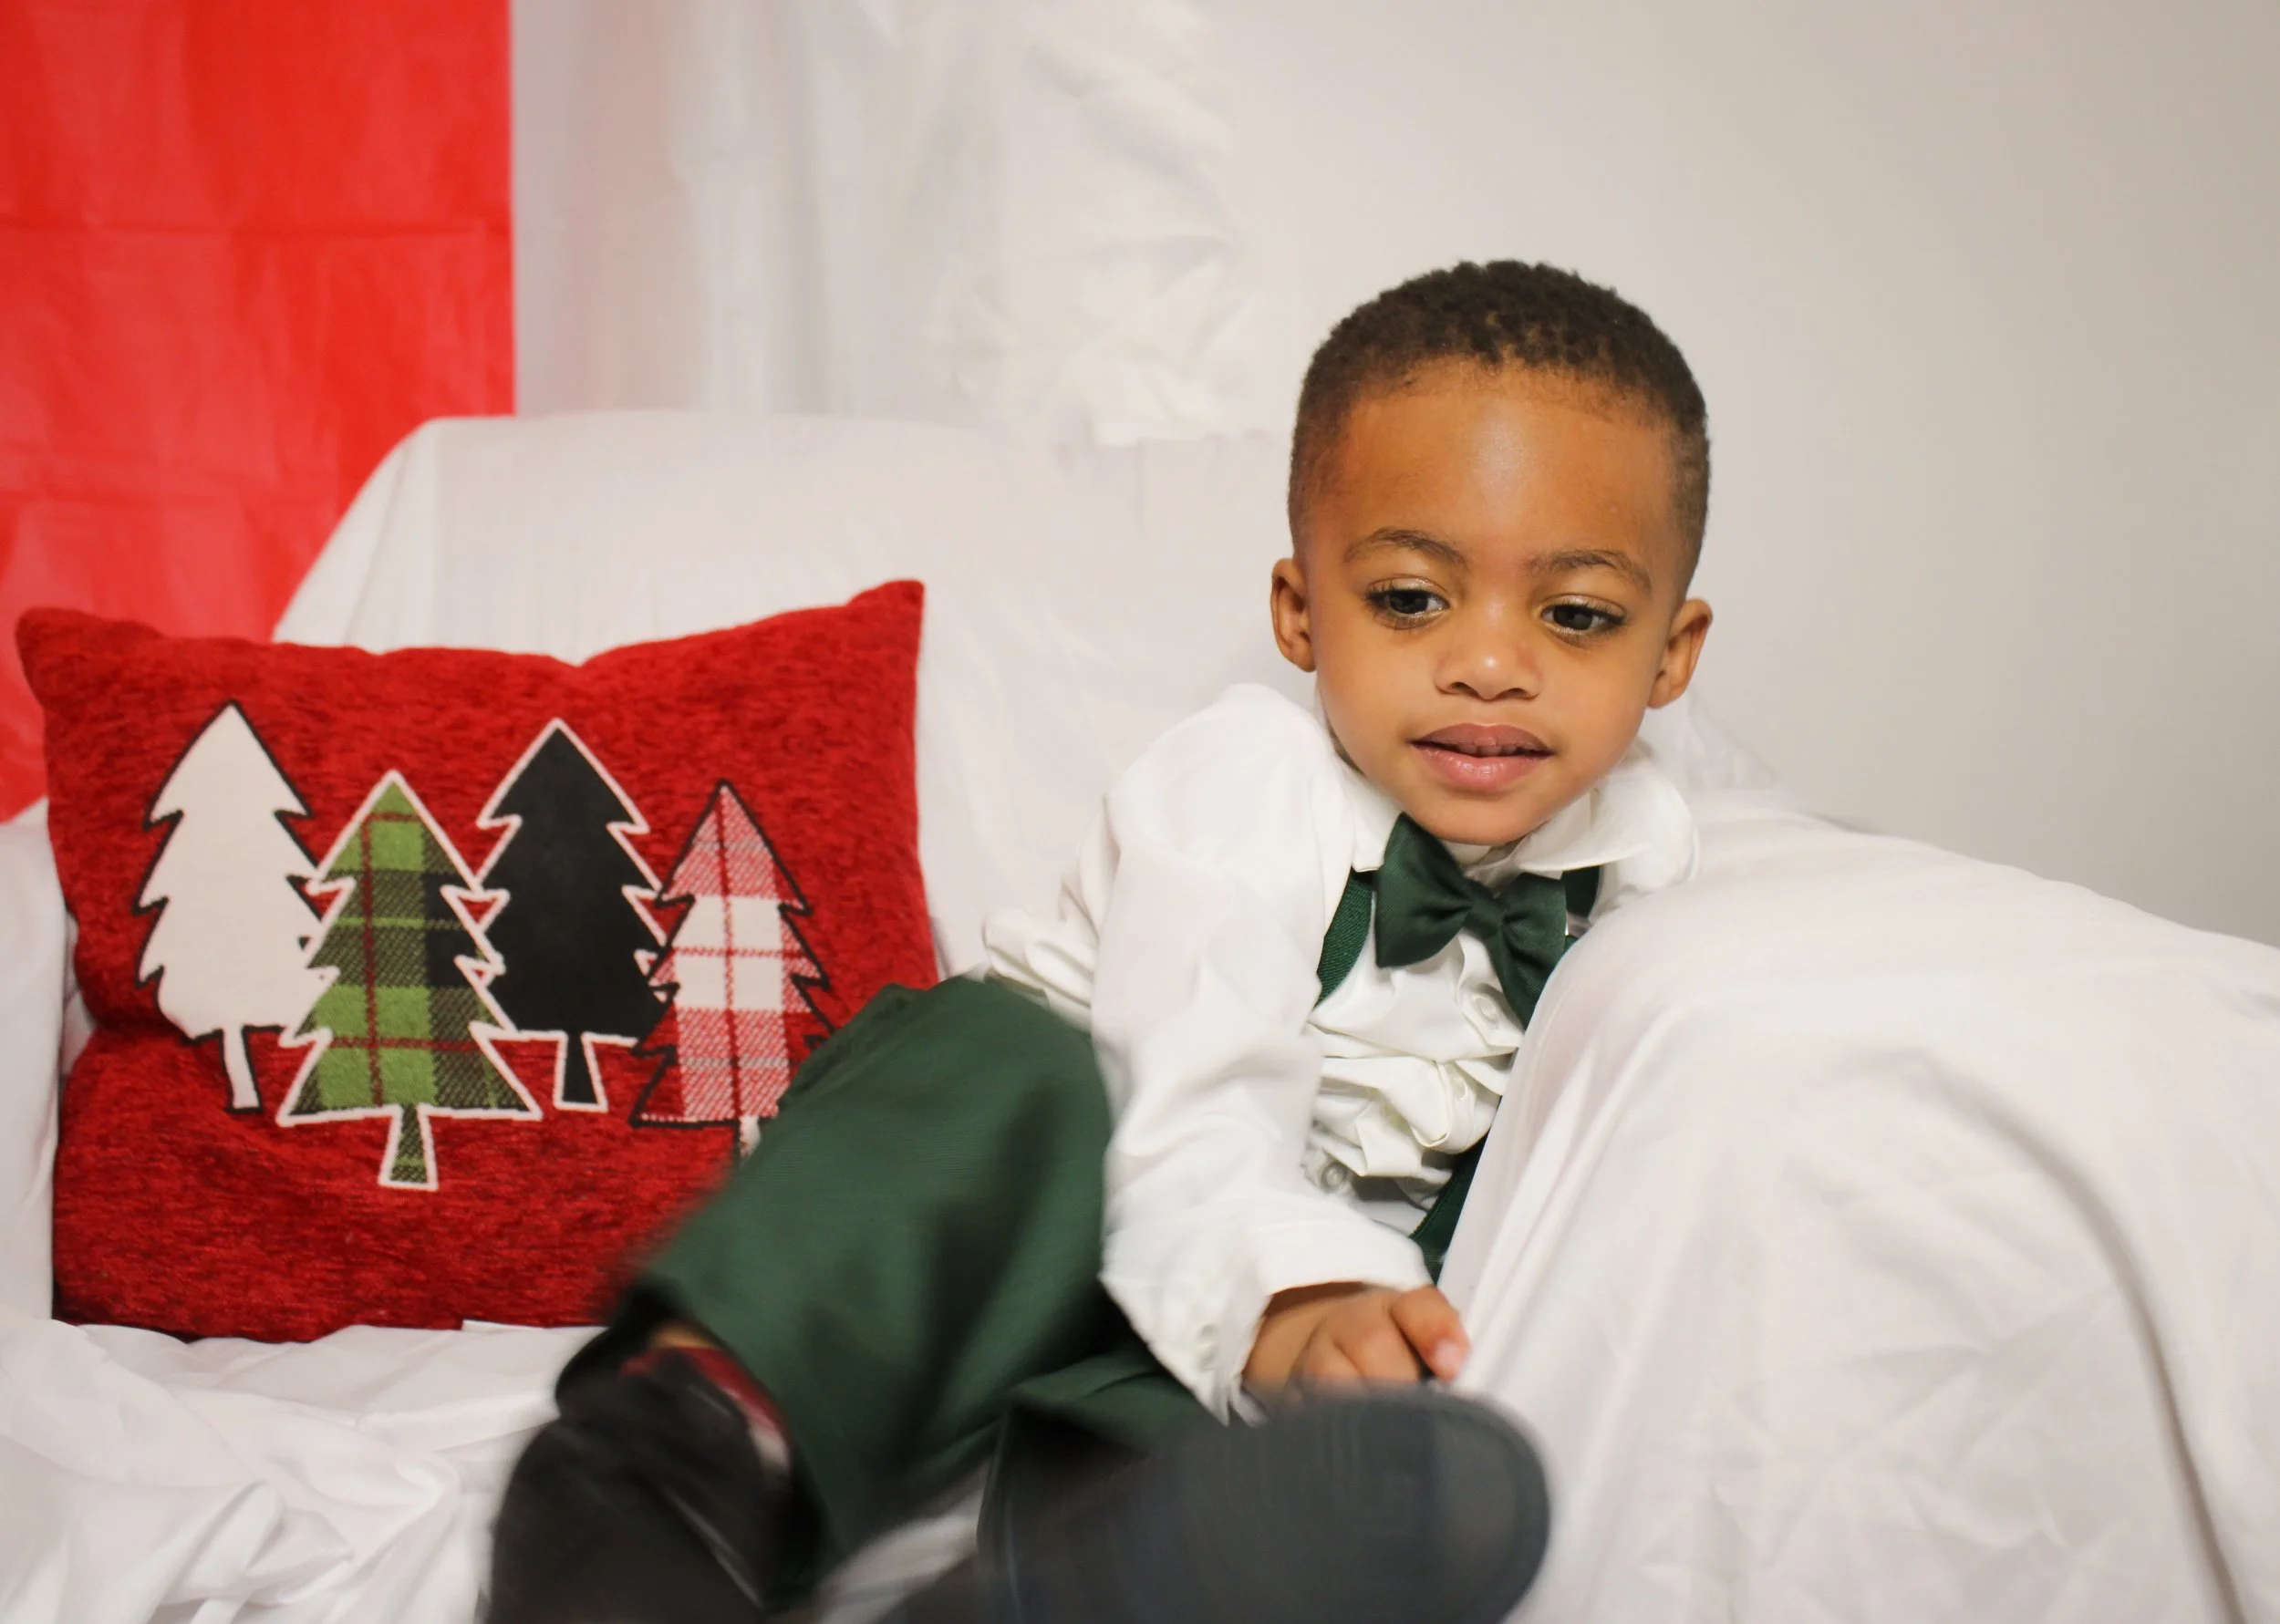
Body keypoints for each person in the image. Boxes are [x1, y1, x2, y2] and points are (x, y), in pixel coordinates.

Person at [485, 259, 1715, 1624]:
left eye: (1578, 615)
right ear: (1302, 611)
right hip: (1028, 1184)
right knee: (1009, 1084)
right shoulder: (1247, 785)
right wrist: (1300, 1294)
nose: (1491, 663)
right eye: (1413, 600)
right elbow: (1191, 1106)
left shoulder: (1650, 849)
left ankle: (1031, 1589)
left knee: (1266, 1467)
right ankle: (667, 1465)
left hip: (1186, 1299)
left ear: (1670, 654)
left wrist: (1326, 1335)